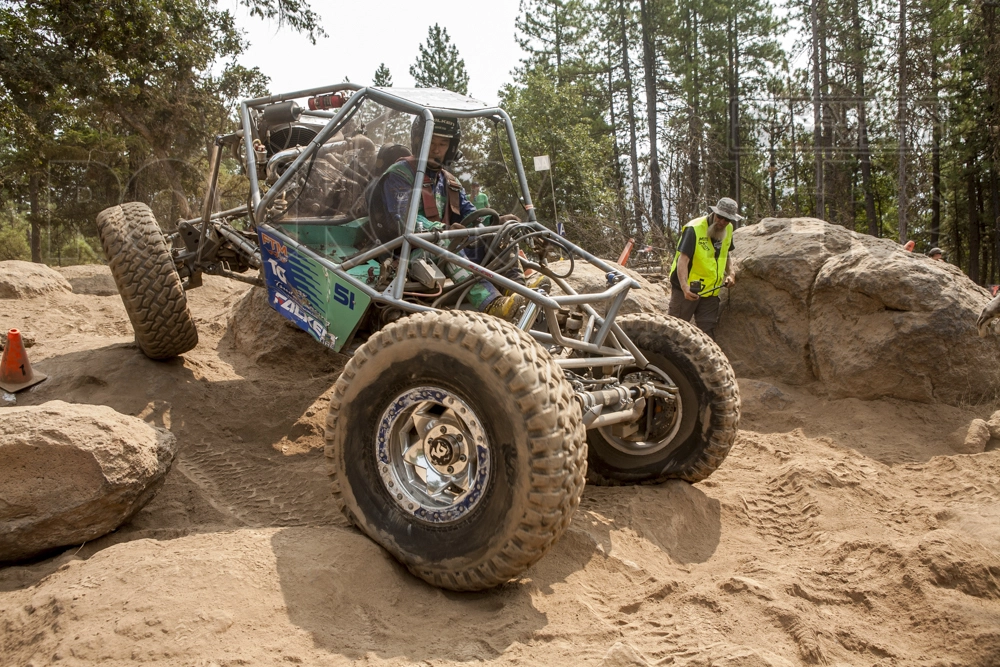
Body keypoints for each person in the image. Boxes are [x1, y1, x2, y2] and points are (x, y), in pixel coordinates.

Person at [367, 115, 541, 320]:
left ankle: (517, 291)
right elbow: (405, 222)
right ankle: (491, 303)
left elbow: (472, 215)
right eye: (431, 142)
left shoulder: (449, 181)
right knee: (446, 240)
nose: (436, 149)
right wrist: (444, 230)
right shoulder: (400, 174)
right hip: (404, 252)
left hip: (440, 246)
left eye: (443, 144)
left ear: (451, 147)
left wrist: (497, 222)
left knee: (500, 233)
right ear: (418, 141)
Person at [668, 197, 742, 339]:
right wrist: (684, 287)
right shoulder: (694, 228)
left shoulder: (728, 229)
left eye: (727, 220)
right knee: (674, 330)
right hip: (687, 289)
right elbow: (683, 260)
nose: (722, 222)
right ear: (714, 213)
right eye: (720, 217)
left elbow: (725, 253)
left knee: (707, 334)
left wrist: (731, 273)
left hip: (710, 292)